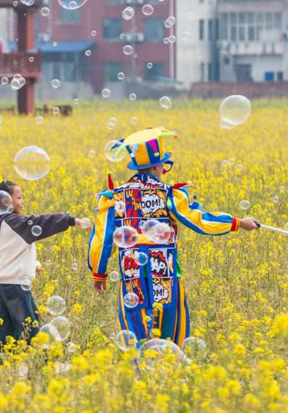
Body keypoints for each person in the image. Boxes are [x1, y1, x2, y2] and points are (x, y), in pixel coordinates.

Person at [87, 127, 259, 348]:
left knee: (136, 326)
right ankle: (169, 369)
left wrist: (99, 273)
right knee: (168, 329)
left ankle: (140, 371)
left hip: (131, 272)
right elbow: (198, 220)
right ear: (159, 166)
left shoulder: (114, 197)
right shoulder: (168, 194)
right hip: (164, 271)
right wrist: (237, 222)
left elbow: (103, 240)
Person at [0, 178, 92, 352]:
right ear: (5, 201)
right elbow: (41, 222)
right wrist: (73, 220)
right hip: (16, 288)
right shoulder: (14, 222)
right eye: (19, 197)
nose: (22, 201)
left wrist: (29, 264)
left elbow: (1, 256)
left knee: (6, 332)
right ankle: (39, 368)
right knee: (32, 331)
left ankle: (1, 369)